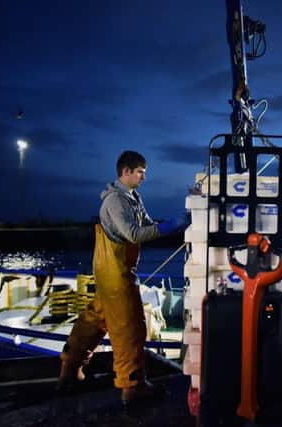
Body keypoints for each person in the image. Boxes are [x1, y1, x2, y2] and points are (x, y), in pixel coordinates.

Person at [57, 150, 188, 405]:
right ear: (125, 172)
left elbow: (149, 225)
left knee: (93, 322)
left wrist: (175, 223)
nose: (143, 178)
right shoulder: (115, 201)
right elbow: (134, 234)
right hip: (115, 274)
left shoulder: (132, 197)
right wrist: (172, 225)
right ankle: (132, 385)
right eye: (140, 172)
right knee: (130, 327)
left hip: (113, 272)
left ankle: (69, 372)